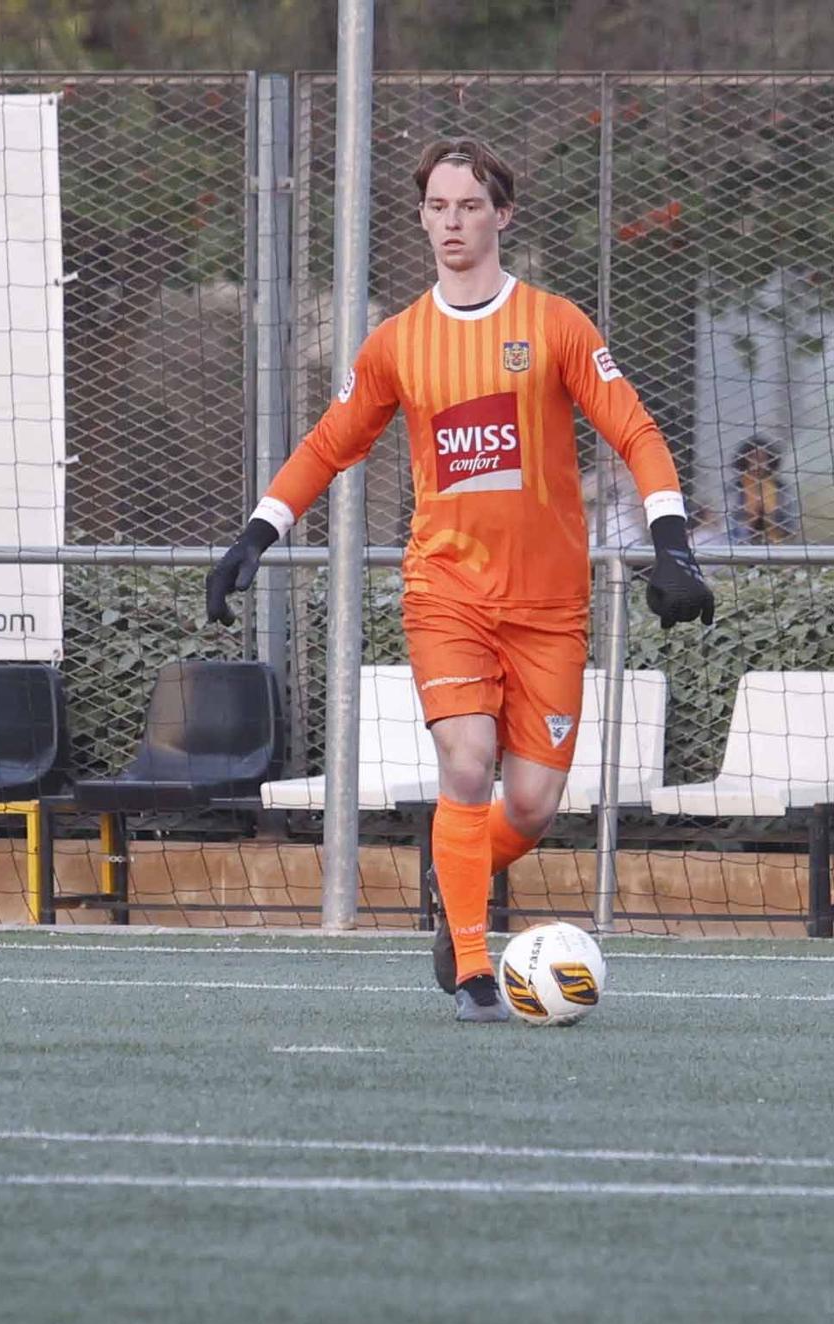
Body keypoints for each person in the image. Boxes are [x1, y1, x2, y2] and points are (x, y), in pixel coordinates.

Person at [206, 138, 714, 1021]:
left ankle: (459, 876)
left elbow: (634, 431)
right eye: (438, 207)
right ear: (422, 218)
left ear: (502, 215)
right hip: (447, 593)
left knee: (532, 799)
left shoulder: (556, 325)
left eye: (469, 206)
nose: (452, 222)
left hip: (551, 605)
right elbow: (331, 443)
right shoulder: (399, 342)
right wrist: (256, 534)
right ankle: (475, 967)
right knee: (467, 760)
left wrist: (672, 542)